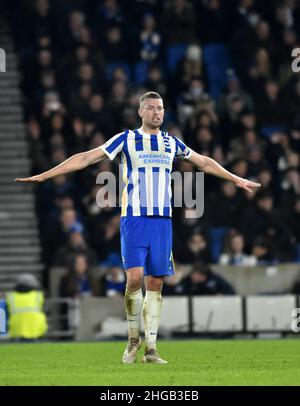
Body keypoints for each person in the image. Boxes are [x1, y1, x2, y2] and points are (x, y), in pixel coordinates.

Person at [16, 91, 260, 364]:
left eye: (161, 108)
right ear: (141, 112)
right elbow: (86, 157)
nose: (157, 112)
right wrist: (46, 175)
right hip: (133, 219)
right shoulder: (126, 139)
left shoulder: (171, 143)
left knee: (155, 282)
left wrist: (236, 178)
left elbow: (203, 161)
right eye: (152, 108)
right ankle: (133, 339)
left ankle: (151, 349)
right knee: (134, 279)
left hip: (163, 222)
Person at [6, 274, 48, 340]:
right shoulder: (38, 295)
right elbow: (45, 310)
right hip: (36, 329)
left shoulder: (10, 296)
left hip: (17, 329)